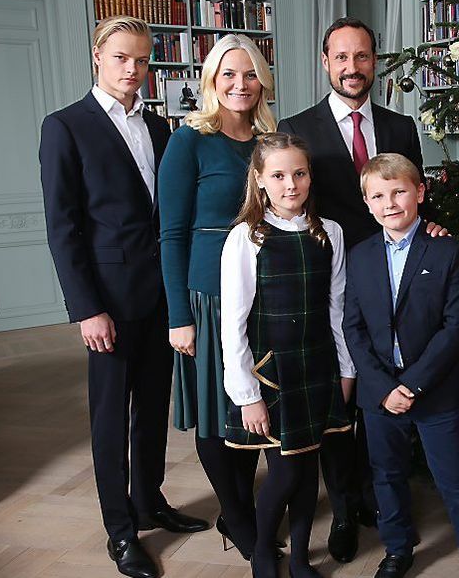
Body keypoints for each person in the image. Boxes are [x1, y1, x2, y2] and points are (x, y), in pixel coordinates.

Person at [39, 15, 208, 578]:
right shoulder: (65, 126)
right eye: (121, 59)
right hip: (106, 302)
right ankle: (120, 529)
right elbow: (63, 229)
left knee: (153, 408)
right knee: (111, 417)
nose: (133, 70)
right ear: (97, 58)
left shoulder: (162, 129)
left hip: (160, 296)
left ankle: (150, 501)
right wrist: (86, 307)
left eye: (141, 60)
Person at [277, 16, 429, 562]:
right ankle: (343, 508)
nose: (352, 67)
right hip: (329, 281)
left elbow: (412, 196)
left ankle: (378, 499)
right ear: (326, 62)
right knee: (340, 398)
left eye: (362, 56)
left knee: (381, 386)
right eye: (341, 57)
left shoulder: (400, 126)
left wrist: (428, 226)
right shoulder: (298, 128)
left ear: (375, 61)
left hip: (395, 278)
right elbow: (291, 203)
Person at [342, 153, 459, 578]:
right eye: (378, 196)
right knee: (386, 477)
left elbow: (455, 327)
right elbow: (353, 328)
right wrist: (383, 386)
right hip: (380, 394)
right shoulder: (359, 257)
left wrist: (411, 385)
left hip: (434, 391)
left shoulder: (446, 251)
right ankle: (397, 549)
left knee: (456, 483)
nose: (390, 203)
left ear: (420, 193)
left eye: (399, 192)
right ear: (367, 204)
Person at [157, 34, 276, 560]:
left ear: (262, 80)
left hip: (262, 294)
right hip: (207, 298)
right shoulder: (189, 140)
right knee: (214, 410)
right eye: (228, 73)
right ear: (210, 80)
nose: (239, 84)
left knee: (250, 404)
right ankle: (240, 519)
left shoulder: (273, 140)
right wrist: (179, 316)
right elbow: (171, 233)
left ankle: (240, 510)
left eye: (249, 73)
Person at [220, 132, 354, 578]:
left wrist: (345, 369)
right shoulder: (247, 237)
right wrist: (246, 394)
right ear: (260, 179)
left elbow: (336, 309)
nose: (290, 184)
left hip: (317, 366)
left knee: (308, 465)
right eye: (278, 175)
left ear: (310, 177)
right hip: (273, 374)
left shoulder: (328, 232)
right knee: (284, 474)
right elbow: (232, 324)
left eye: (298, 173)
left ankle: (299, 558)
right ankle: (261, 550)